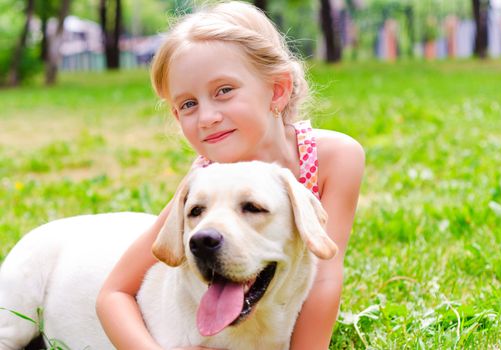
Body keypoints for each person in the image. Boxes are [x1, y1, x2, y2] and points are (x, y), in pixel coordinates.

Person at [95, 1, 365, 349]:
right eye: (188, 104)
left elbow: (326, 275)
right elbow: (114, 292)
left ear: (277, 89)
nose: (206, 116)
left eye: (224, 91)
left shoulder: (336, 157)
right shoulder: (202, 186)